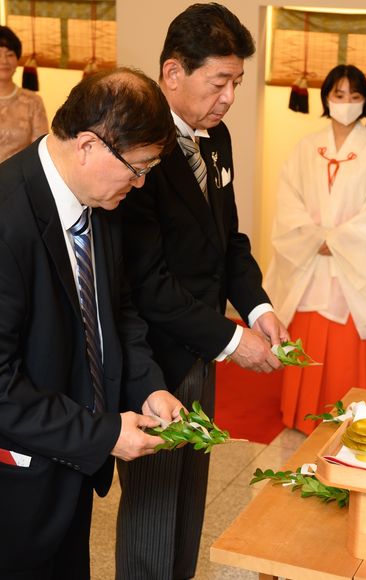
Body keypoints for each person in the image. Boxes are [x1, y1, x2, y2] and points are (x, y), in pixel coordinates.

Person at [115, 4, 289, 579]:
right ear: (173, 73)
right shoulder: (136, 145)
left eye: (236, 82)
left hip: (201, 346)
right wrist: (232, 342)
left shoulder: (216, 140)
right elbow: (147, 281)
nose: (229, 97)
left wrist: (257, 306)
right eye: (219, 82)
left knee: (189, 498)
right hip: (153, 358)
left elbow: (228, 240)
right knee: (153, 510)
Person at [0, 67, 183, 580]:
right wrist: (102, 434)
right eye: (138, 167)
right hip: (18, 482)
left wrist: (147, 387)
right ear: (87, 146)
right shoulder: (7, 219)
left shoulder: (99, 199)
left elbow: (115, 309)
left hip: (72, 469)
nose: (141, 182)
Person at [264, 64, 366, 435]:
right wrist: (313, 237)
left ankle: (356, 417)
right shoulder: (306, 147)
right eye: (339, 95)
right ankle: (302, 413)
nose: (346, 102)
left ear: (365, 101)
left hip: (354, 269)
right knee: (308, 335)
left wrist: (336, 239)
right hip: (311, 261)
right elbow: (288, 199)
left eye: (354, 96)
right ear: (326, 97)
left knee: (349, 349)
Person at [0, 25, 48, 162]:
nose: (4, 61)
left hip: (18, 174)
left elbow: (40, 151)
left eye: (10, 54)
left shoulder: (33, 102)